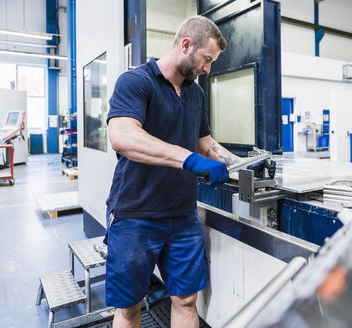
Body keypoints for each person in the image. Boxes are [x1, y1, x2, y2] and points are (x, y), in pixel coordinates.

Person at [105, 16, 242, 328]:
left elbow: (205, 143)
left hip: (182, 216)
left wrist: (240, 164)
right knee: (129, 307)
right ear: (185, 45)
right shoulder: (136, 82)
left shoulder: (196, 94)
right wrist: (190, 160)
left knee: (186, 299)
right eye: (207, 59)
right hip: (135, 214)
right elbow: (123, 136)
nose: (208, 69)